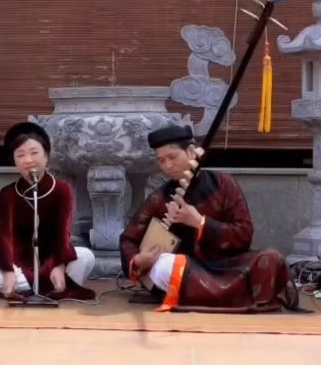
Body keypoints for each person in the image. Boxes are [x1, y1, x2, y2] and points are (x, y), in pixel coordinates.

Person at [119, 124, 298, 313]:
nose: (167, 166)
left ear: (191, 152)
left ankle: (201, 296)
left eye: (172, 157)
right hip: (189, 270)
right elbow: (128, 239)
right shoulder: (159, 198)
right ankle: (233, 297)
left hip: (229, 267)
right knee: (164, 266)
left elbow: (244, 234)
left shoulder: (223, 183)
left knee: (271, 258)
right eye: (161, 160)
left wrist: (199, 222)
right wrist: (138, 261)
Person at [0, 122, 96, 300]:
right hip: (20, 263)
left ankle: (32, 287)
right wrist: (8, 271)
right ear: (14, 161)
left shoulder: (61, 189)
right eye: (20, 155)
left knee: (86, 256)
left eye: (34, 153)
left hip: (53, 259)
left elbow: (63, 233)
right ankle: (52, 287)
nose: (28, 160)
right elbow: (4, 237)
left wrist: (59, 265)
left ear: (46, 155)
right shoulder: (8, 194)